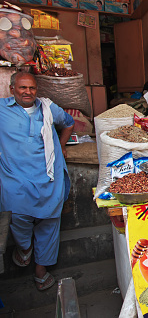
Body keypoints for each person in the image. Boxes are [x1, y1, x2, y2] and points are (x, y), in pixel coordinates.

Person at [0, 72, 74, 291]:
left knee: (49, 224)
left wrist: (61, 145)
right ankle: (24, 248)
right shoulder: (2, 109)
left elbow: (68, 123)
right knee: (18, 217)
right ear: (12, 88)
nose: (28, 92)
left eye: (31, 88)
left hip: (48, 177)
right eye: (22, 88)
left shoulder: (48, 108)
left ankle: (41, 271)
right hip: (16, 178)